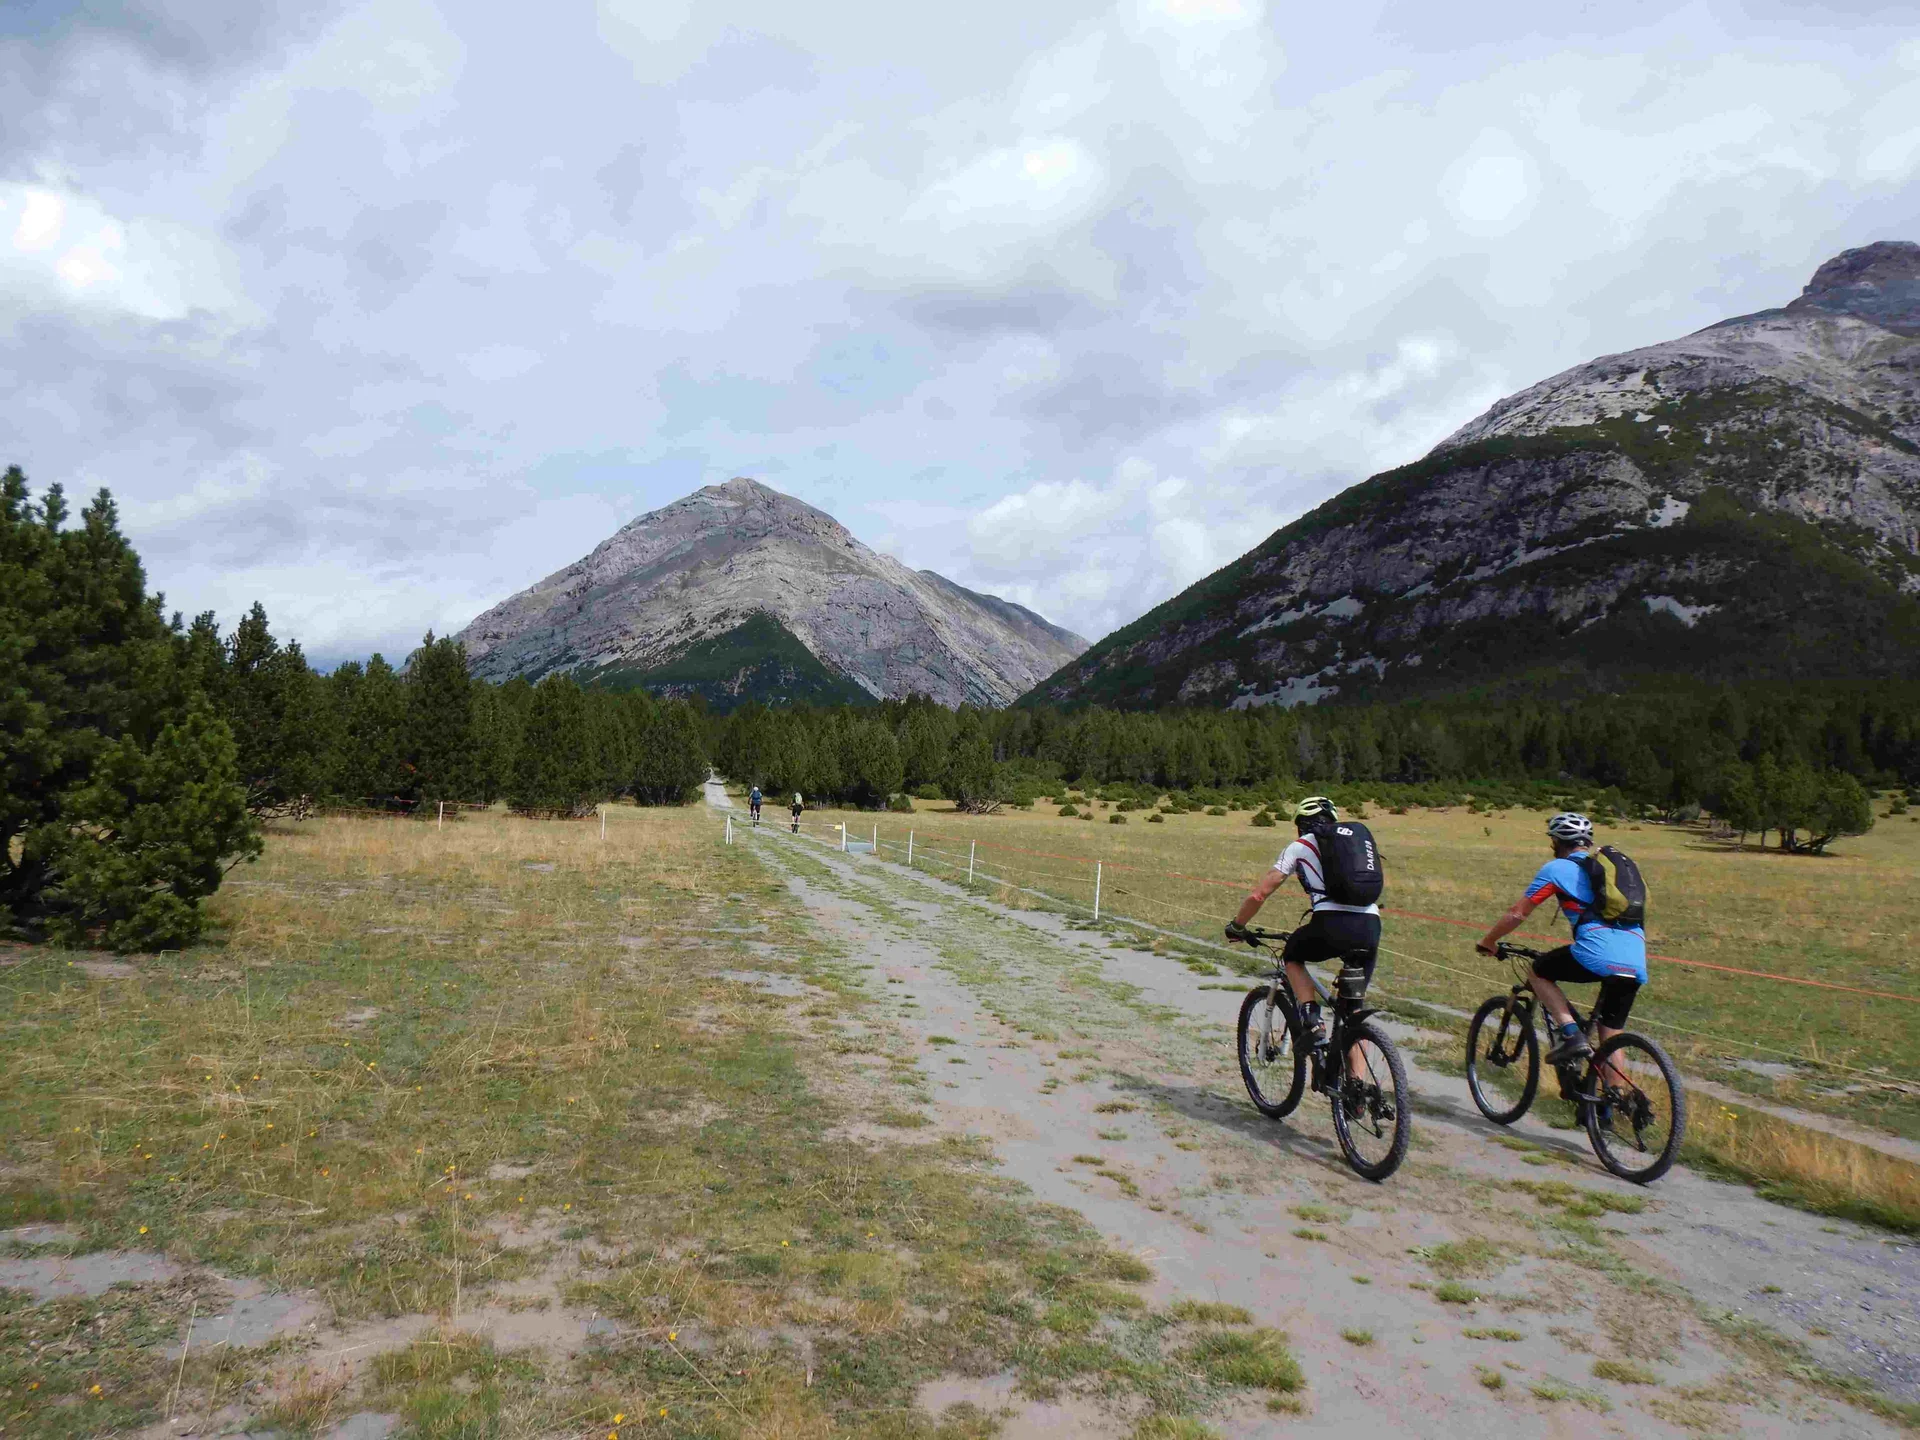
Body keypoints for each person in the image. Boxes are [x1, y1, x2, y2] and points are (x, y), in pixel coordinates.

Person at [1475, 812, 1646, 1067]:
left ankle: (1570, 1033)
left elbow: (1518, 913)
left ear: (1556, 841)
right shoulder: (1610, 873)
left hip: (1596, 952)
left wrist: (1489, 941)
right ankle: (1616, 1100)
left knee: (1538, 971)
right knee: (1610, 1034)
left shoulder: (1557, 868)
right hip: (1635, 958)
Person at [1225, 796, 1378, 1050]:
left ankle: (1312, 1019)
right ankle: (1357, 1086)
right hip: (1371, 927)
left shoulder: (1301, 845)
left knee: (1293, 954)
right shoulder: (1354, 847)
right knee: (1352, 1018)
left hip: (1332, 924)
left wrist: (1237, 926)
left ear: (1301, 824)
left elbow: (1258, 895)